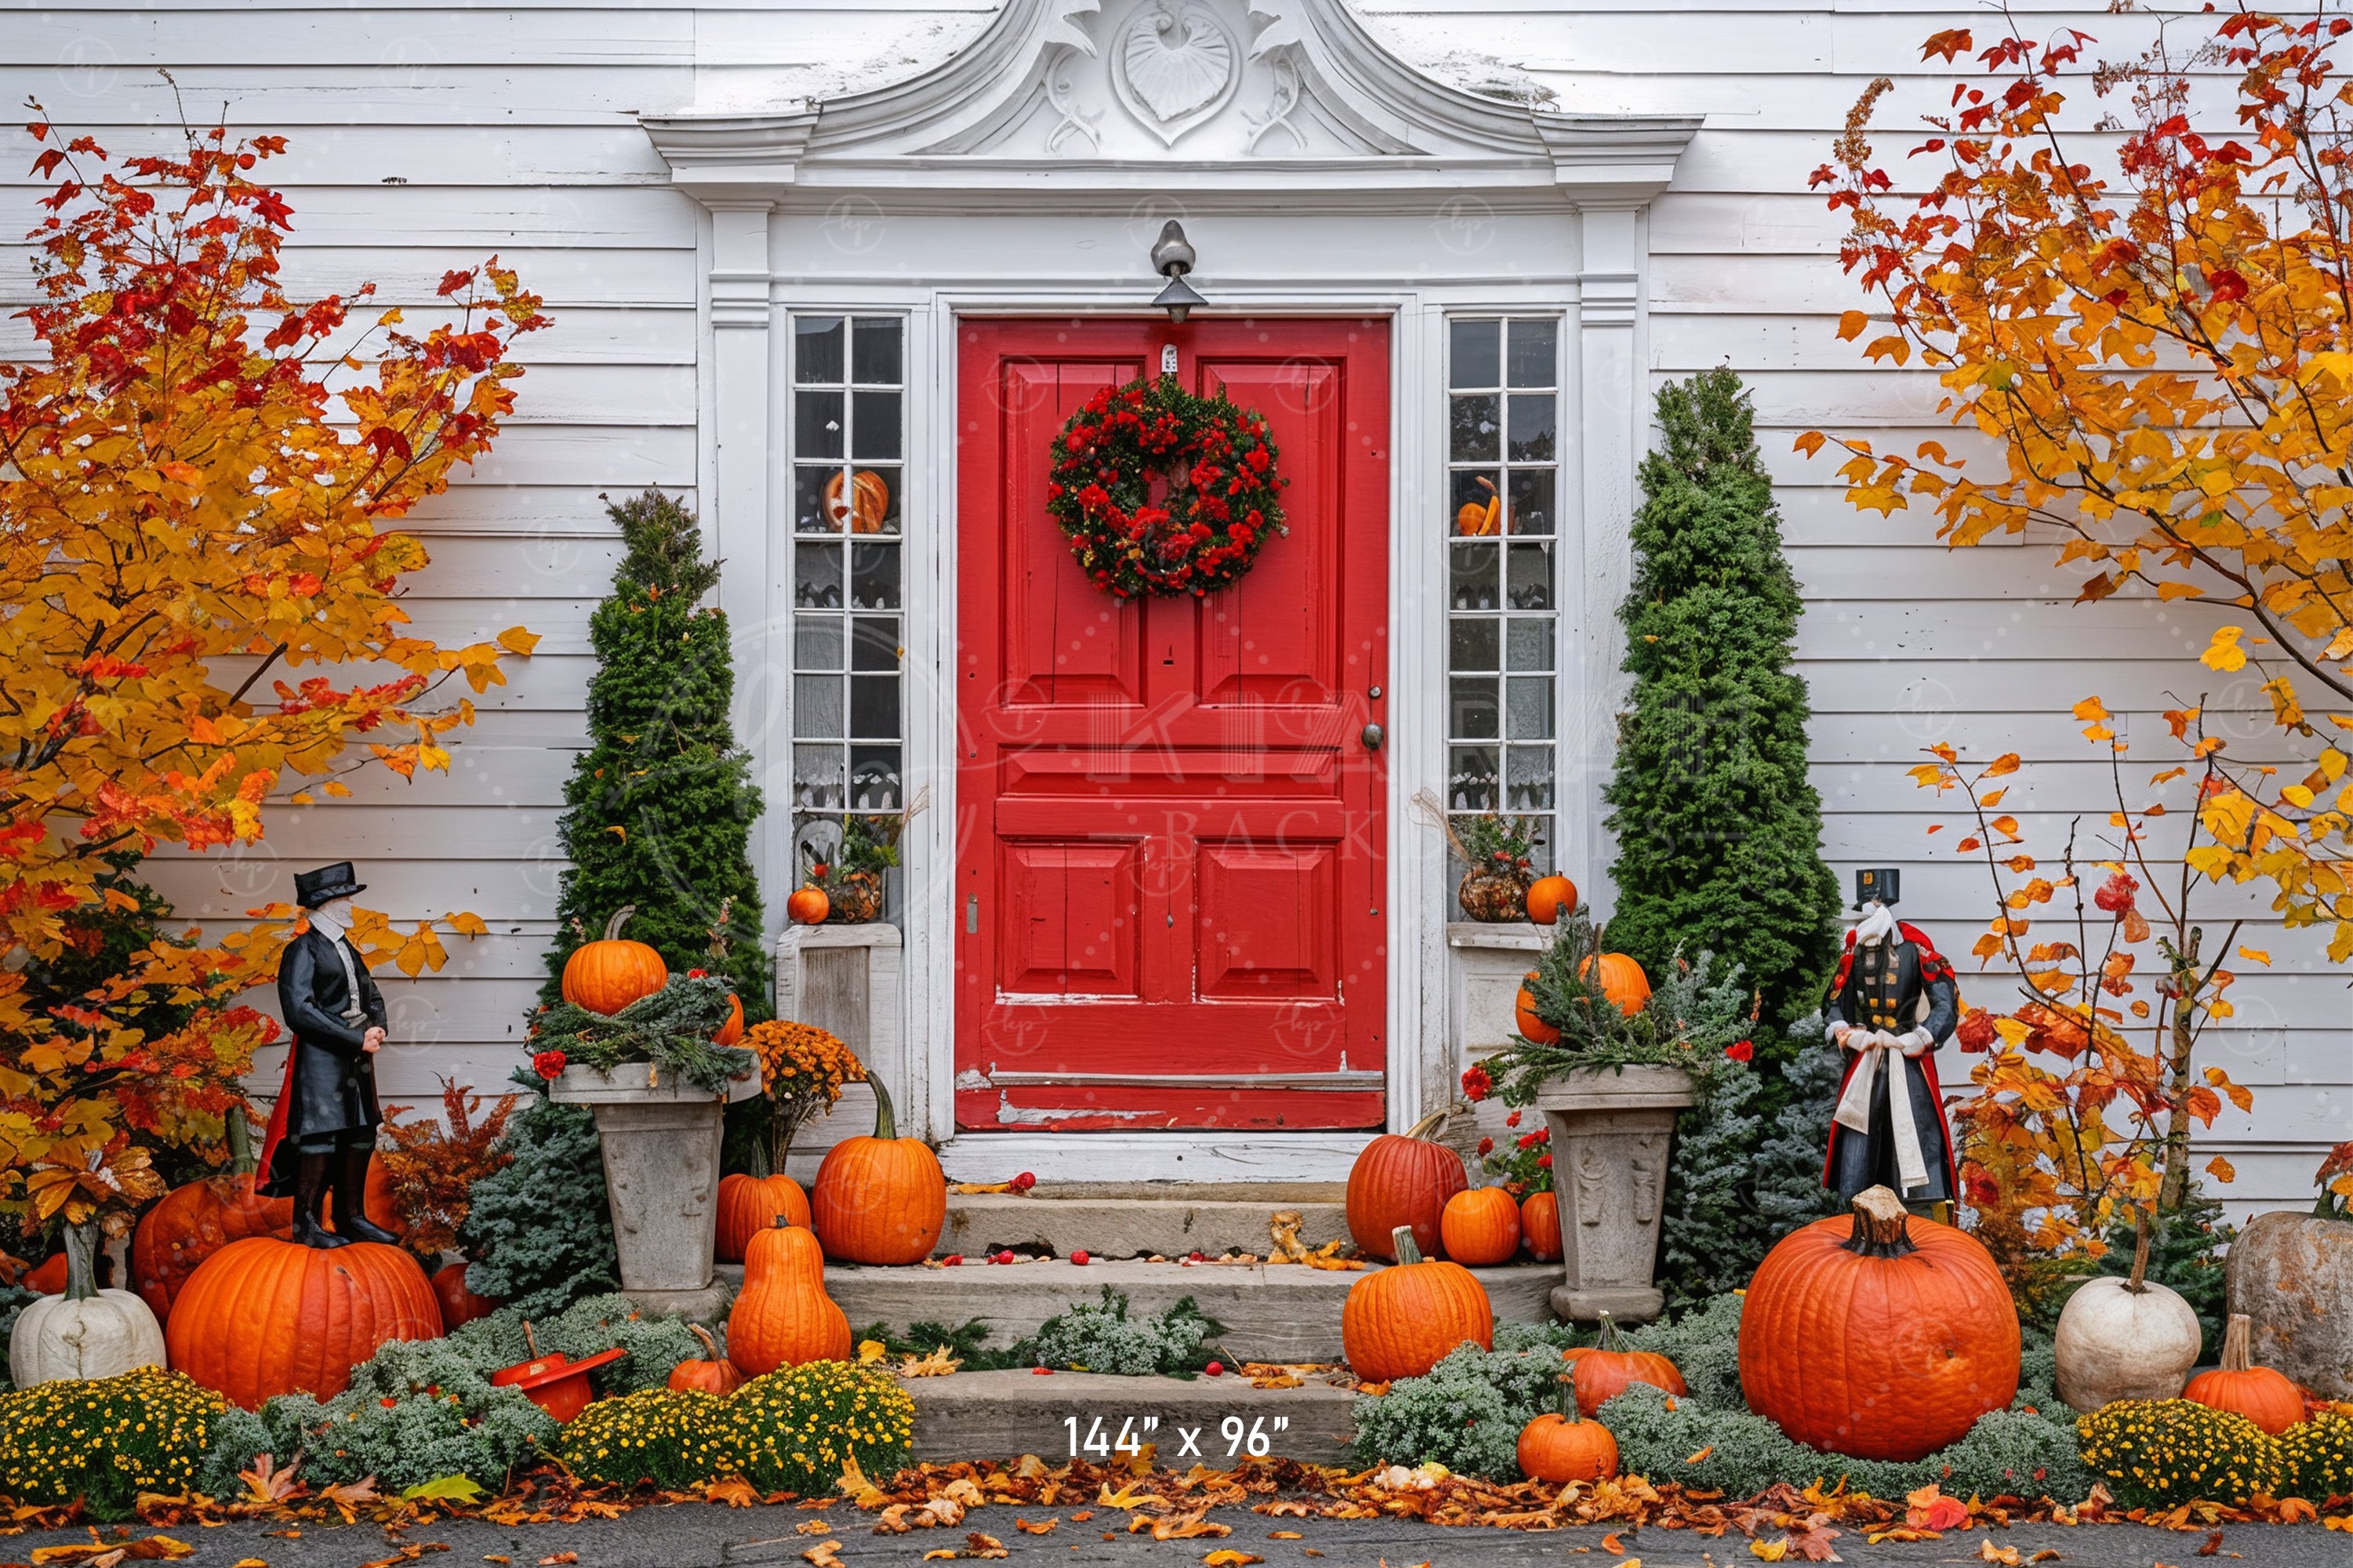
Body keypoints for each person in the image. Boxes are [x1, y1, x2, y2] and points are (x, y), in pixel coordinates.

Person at [257, 862, 401, 1247]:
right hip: (321, 1061)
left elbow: (370, 992)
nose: (351, 906)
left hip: (357, 1060)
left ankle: (350, 1216)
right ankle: (306, 1223)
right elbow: (299, 1010)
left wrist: (378, 1025)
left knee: (361, 1134)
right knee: (320, 1136)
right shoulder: (301, 950)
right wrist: (354, 1039)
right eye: (345, 900)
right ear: (325, 904)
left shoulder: (348, 949)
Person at [1823, 867, 1960, 1208]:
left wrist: (1921, 1036)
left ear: (1885, 910)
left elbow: (1945, 1002)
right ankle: (1858, 1205)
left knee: (1914, 1127)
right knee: (1859, 1137)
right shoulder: (1853, 952)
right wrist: (1848, 1034)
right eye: (1864, 907)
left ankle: (1916, 1210)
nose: (1869, 912)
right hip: (1866, 1060)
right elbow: (1834, 1003)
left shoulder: (1916, 948)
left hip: (1906, 1058)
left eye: (1875, 905)